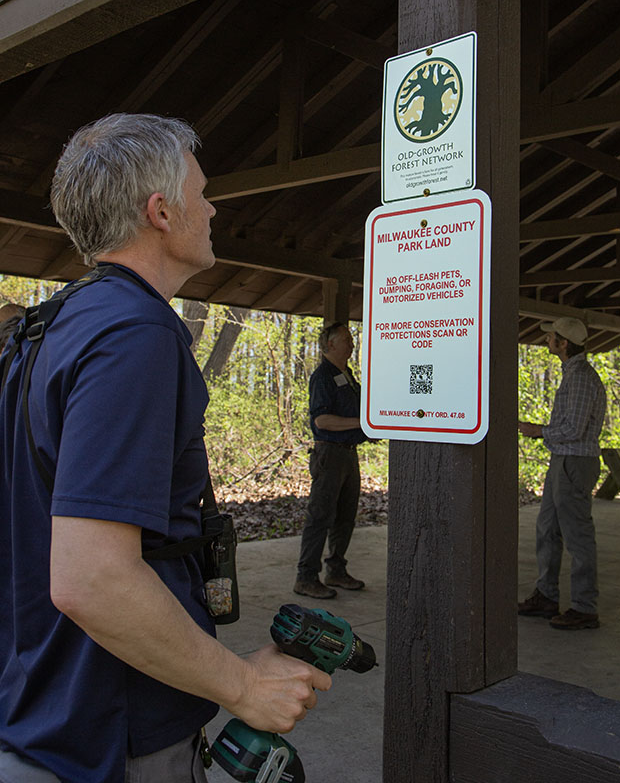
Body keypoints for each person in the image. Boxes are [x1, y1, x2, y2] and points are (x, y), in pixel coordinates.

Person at [0, 113, 330, 783]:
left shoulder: (45, 327)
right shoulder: (133, 334)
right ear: (160, 212)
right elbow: (93, 579)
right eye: (201, 192)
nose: (212, 208)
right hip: (105, 737)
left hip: (35, 705)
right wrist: (240, 687)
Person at [518, 316, 606, 631]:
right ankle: (546, 595)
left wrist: (537, 430)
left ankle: (584, 607)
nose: (547, 341)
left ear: (563, 343)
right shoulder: (572, 374)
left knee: (577, 536)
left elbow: (574, 428)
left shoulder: (581, 377)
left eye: (551, 337)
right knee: (547, 529)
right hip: (564, 460)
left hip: (574, 462)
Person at [294, 321, 366, 599]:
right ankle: (305, 577)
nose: (352, 343)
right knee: (320, 516)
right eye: (347, 339)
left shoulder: (346, 374)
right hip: (330, 454)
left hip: (349, 453)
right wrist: (361, 422)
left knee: (345, 517)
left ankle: (335, 569)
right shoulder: (323, 376)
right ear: (331, 344)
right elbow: (322, 420)